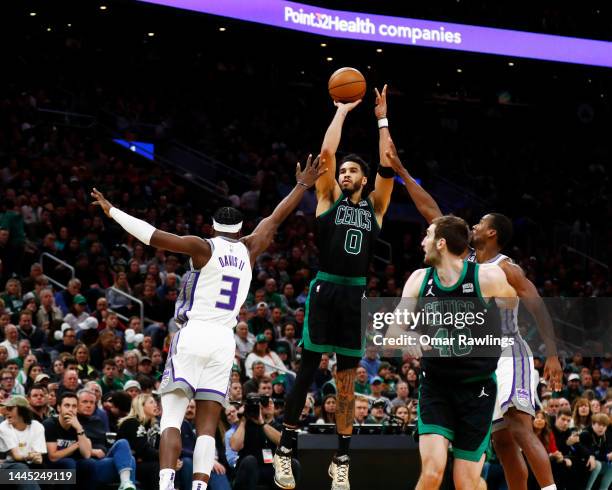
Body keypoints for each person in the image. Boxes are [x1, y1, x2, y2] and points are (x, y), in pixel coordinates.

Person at [92, 153, 326, 490]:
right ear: (241, 228)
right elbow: (275, 218)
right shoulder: (250, 248)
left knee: (171, 417)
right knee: (206, 426)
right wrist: (302, 185)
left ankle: (167, 484)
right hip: (224, 341)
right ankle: (201, 486)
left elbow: (152, 235)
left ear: (213, 226)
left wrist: (112, 210)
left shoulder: (202, 247)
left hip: (195, 332)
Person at [385, 138, 562, 490]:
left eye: (480, 223)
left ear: (492, 232)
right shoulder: (458, 262)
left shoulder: (503, 268)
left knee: (518, 426)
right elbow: (433, 214)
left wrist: (553, 354)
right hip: (471, 363)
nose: (473, 227)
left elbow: (537, 301)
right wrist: (403, 173)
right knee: (502, 441)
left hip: (506, 349)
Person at [275, 86, 395, 490]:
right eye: (341, 170)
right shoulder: (327, 199)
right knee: (308, 370)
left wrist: (381, 119)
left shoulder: (376, 206)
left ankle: (341, 459)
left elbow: (388, 163)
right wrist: (342, 112)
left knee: (346, 381)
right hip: (326, 290)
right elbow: (326, 155)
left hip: (356, 293)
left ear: (363, 178)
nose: (344, 173)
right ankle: (286, 451)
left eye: (351, 171)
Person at [388, 215, 517, 490]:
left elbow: (511, 301)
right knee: (433, 471)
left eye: (428, 235)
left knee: (466, 483)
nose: (423, 242)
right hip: (437, 387)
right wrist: (407, 335)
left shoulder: (485, 277)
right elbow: (391, 333)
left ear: (441, 243)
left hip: (478, 390)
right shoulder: (419, 280)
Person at [231, 393, 300, 490]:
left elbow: (283, 444)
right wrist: (243, 420)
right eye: (265, 404)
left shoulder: (278, 426)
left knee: (293, 464)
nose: (268, 406)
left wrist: (262, 423)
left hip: (273, 470)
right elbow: (234, 446)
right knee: (249, 461)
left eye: (271, 403)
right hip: (253, 469)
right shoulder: (245, 425)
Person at [77, 388, 137, 490]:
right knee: (130, 460)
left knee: (123, 444)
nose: (89, 405)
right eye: (85, 402)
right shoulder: (74, 422)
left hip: (105, 456)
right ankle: (126, 483)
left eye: (92, 402)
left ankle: (126, 483)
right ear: (77, 404)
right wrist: (91, 451)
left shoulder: (98, 421)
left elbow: (106, 444)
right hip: (89, 461)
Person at [44, 391, 95, 490]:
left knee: (90, 463)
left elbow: (87, 454)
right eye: (67, 406)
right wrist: (76, 445)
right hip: (48, 469)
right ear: (59, 408)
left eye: (74, 406)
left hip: (71, 466)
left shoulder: (77, 425)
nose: (71, 409)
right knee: (69, 462)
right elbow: (53, 457)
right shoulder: (50, 424)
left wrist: (79, 429)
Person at [117, 393, 166, 490]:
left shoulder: (154, 425)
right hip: (127, 465)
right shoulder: (131, 422)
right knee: (156, 467)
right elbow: (143, 450)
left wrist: (171, 460)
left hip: (144, 462)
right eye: (151, 402)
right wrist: (166, 458)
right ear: (141, 405)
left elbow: (160, 448)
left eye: (155, 402)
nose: (156, 405)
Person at [0, 395, 46, 490]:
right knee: (21, 468)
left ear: (22, 410)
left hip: (27, 465)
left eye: (10, 408)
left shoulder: (37, 427)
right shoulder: (4, 427)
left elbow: (38, 457)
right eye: (6, 408)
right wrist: (30, 456)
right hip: (8, 465)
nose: (6, 412)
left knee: (45, 473)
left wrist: (37, 457)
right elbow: (16, 456)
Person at [576, 413, 612, 490]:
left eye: (604, 426)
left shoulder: (603, 435)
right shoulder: (585, 434)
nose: (601, 428)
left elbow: (603, 453)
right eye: (599, 425)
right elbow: (588, 453)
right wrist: (606, 457)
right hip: (582, 463)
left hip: (594, 463)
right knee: (597, 464)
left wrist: (608, 456)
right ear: (593, 424)